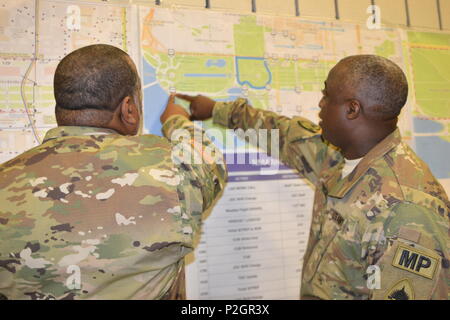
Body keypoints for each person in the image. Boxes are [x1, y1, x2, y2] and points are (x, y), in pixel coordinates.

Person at [176, 54, 449, 300]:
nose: (320, 103)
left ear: (352, 109)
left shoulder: (410, 210)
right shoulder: (335, 155)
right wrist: (216, 111)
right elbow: (285, 133)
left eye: (326, 95)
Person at [0, 44, 227, 300]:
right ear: (128, 109)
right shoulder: (171, 170)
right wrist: (176, 120)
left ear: (59, 110)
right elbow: (210, 161)